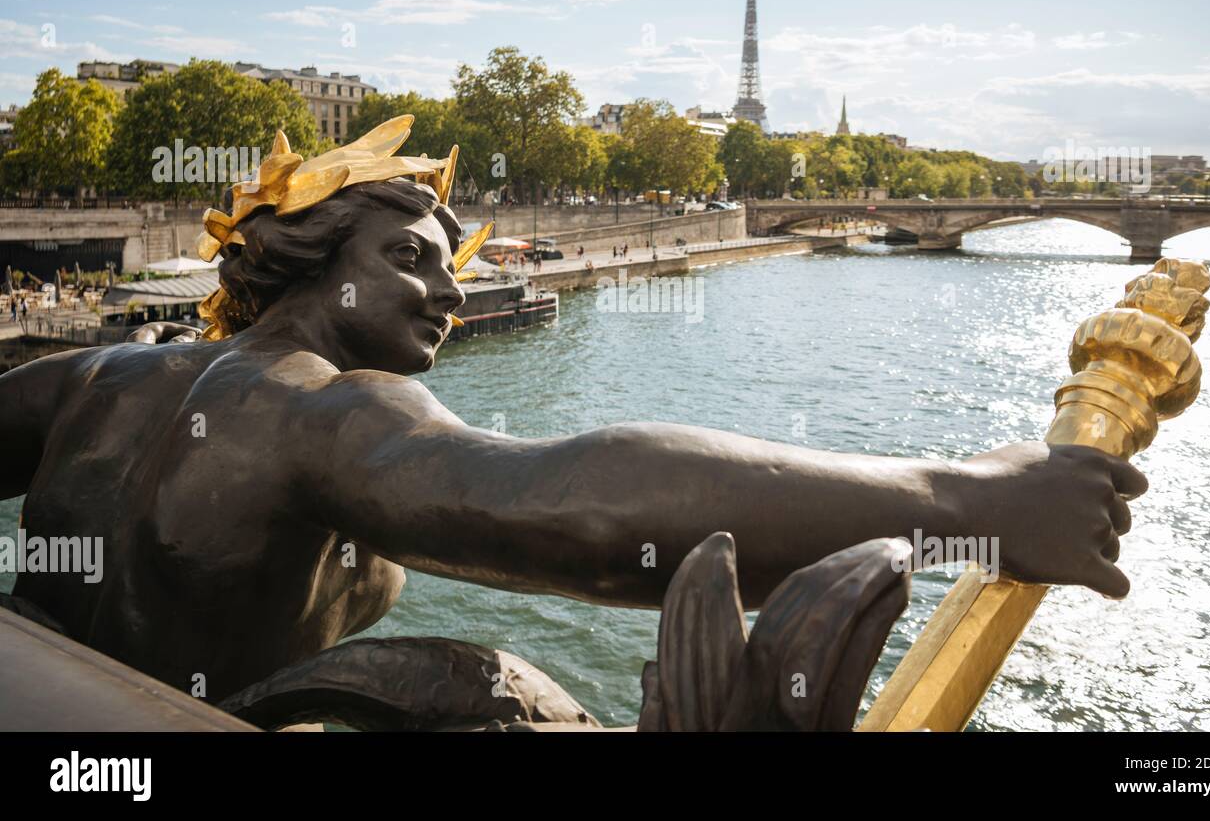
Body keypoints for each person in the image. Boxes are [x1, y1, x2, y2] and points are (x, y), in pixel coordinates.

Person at [0, 121, 1143, 702]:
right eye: (409, 256)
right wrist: (970, 503)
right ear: (308, 255)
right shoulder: (322, 408)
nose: (448, 291)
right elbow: (569, 506)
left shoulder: (99, 376)